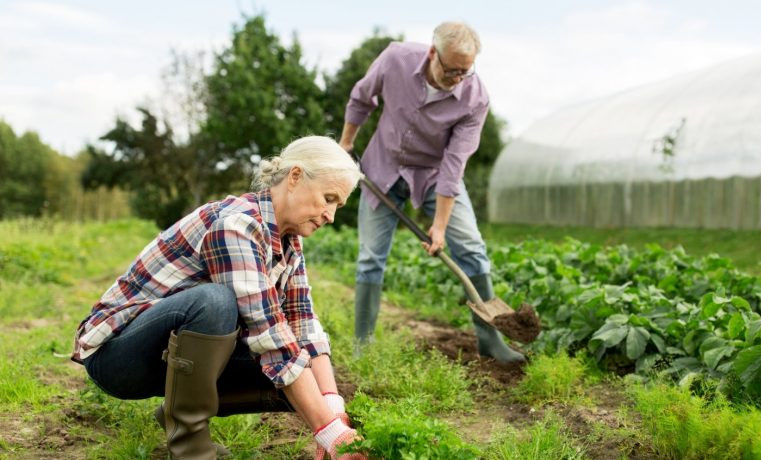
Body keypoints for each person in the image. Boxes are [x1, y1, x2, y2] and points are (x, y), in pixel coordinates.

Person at [72, 136, 368, 460]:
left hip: (168, 356)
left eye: (338, 205)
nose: (330, 215)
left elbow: (303, 321)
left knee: (304, 381)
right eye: (328, 198)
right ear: (295, 176)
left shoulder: (289, 242)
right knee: (215, 303)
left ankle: (178, 411)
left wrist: (332, 409)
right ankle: (191, 449)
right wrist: (329, 432)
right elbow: (269, 334)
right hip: (118, 357)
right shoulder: (237, 224)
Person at [338, 22, 524, 363]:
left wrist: (439, 225)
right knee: (370, 257)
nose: (457, 78)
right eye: (451, 70)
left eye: (465, 71)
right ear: (432, 53)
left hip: (435, 175)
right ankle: (363, 345)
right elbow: (362, 98)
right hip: (384, 166)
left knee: (471, 248)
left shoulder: (475, 98)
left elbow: (454, 165)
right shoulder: (396, 59)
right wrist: (345, 144)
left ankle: (491, 341)